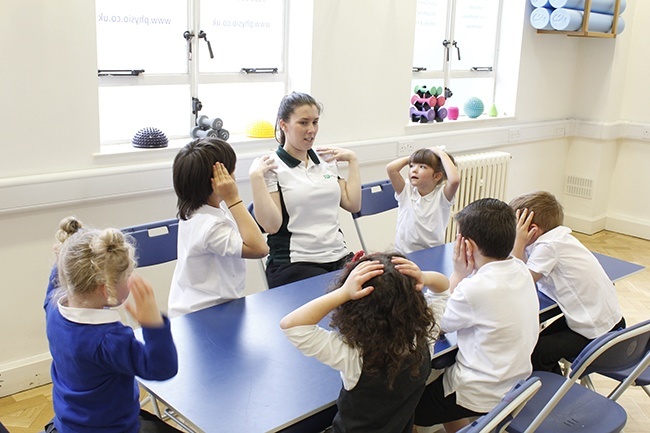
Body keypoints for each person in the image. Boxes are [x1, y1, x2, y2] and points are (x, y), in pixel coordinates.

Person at [280, 252, 449, 433]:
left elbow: (292, 325)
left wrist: (343, 292)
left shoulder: (353, 354)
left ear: (356, 309)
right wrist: (422, 276)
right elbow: (443, 289)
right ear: (414, 300)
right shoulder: (424, 336)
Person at [44, 216, 181, 433]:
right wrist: (153, 324)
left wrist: (66, 252)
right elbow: (163, 368)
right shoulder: (109, 340)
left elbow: (57, 279)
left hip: (69, 424)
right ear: (106, 289)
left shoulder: (53, 309)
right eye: (127, 277)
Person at [414, 198, 539, 433]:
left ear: (467, 246)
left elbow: (435, 322)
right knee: (441, 391)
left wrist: (458, 274)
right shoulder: (520, 268)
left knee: (407, 410)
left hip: (480, 392)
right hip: (515, 382)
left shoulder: (474, 288)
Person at [249, 91, 361, 288]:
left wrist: (353, 160)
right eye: (303, 122)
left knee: (380, 292)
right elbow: (271, 226)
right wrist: (256, 179)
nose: (311, 129)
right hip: (295, 264)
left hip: (338, 257)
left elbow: (352, 204)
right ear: (284, 125)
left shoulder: (326, 159)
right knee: (335, 304)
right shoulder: (271, 167)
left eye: (315, 122)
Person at [509, 191, 625, 374]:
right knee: (533, 341)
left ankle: (553, 395)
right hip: (610, 321)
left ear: (532, 230)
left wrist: (518, 243)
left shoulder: (548, 246)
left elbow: (517, 282)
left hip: (596, 333)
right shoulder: (559, 237)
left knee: (534, 352)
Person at [168, 137, 268, 317]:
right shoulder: (210, 226)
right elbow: (260, 249)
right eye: (231, 172)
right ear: (217, 181)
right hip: (206, 313)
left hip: (203, 309)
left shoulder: (197, 211)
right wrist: (233, 198)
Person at [387, 146, 460, 254]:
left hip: (432, 252)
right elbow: (391, 169)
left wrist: (441, 154)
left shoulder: (442, 196)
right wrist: (415, 157)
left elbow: (454, 180)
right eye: (411, 166)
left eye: (422, 166)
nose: (414, 170)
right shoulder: (406, 191)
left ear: (437, 176)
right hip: (403, 253)